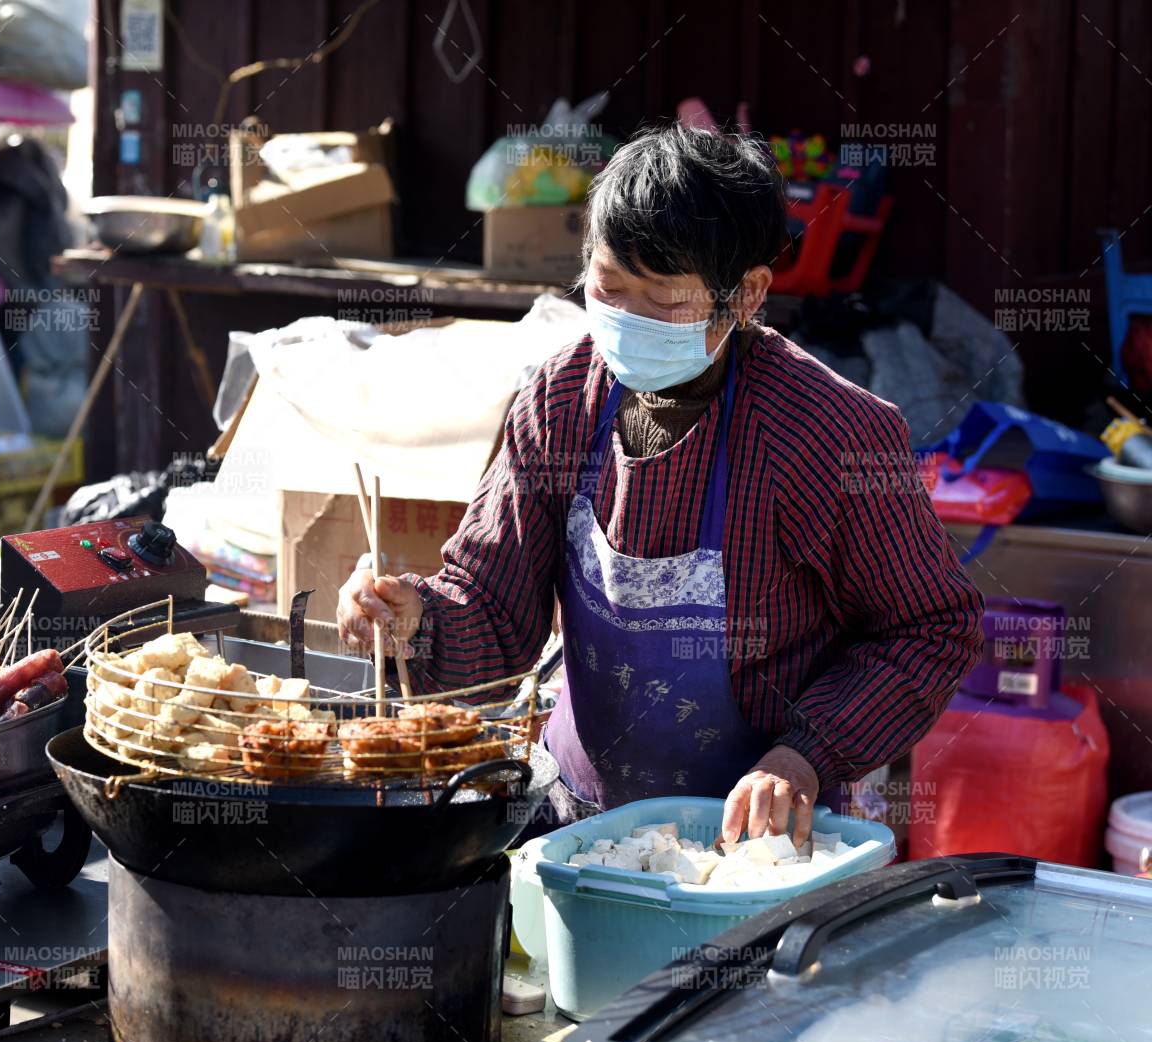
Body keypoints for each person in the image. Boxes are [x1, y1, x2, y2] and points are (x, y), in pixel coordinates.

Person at [337, 124, 984, 845]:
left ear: (745, 297)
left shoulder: (828, 434)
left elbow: (929, 628)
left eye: (665, 301)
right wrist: (412, 619)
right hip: (578, 824)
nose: (629, 320)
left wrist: (806, 756)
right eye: (611, 288)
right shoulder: (558, 399)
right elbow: (492, 607)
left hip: (757, 845)